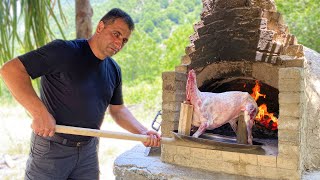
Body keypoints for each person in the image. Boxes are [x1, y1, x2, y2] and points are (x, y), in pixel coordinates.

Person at [0, 8, 161, 179]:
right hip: (52, 149)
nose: (119, 43)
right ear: (100, 27)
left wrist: (143, 132)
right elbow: (11, 70)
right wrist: (39, 113)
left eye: (124, 40)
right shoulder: (64, 51)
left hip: (88, 151)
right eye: (116, 34)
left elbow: (118, 110)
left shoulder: (114, 70)